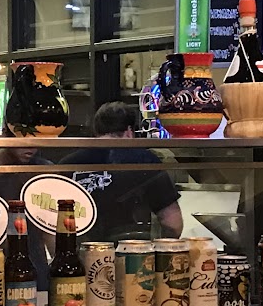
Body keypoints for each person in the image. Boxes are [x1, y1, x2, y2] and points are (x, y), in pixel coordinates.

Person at [70, 102, 184, 242]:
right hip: (133, 250)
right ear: (129, 131)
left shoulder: (69, 163)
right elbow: (173, 223)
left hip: (82, 250)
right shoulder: (145, 161)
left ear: (96, 131)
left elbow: (54, 226)